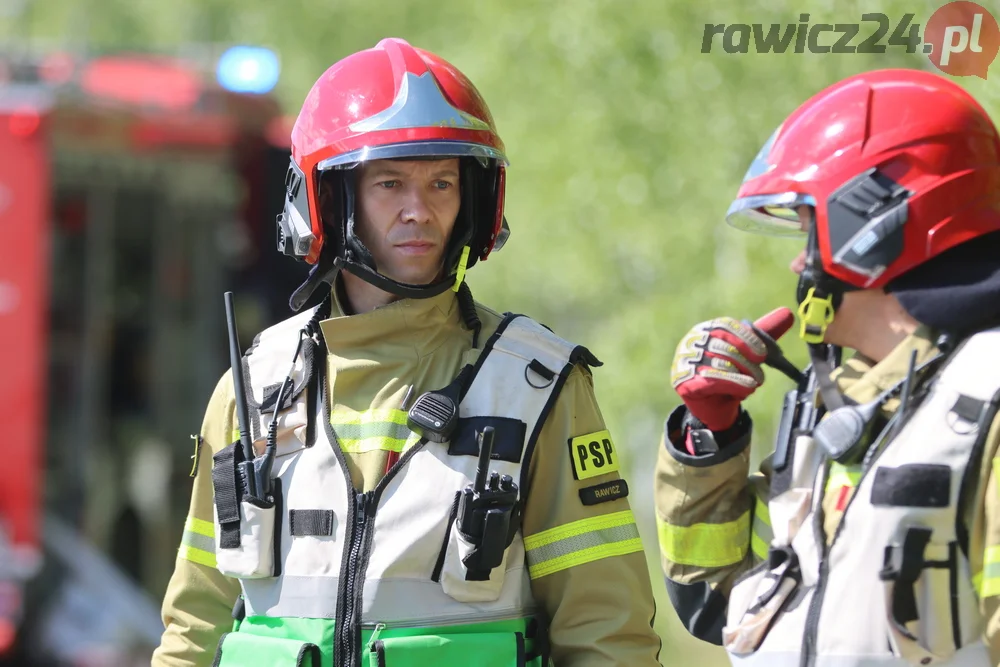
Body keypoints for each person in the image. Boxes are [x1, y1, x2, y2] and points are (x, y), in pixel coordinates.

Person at [153, 37, 661, 667]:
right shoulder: (255, 386)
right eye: (390, 183)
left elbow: (606, 631)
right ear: (331, 201)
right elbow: (194, 622)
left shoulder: (537, 387)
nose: (418, 211)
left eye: (441, 183)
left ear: (471, 200)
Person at [654, 68, 1000, 666]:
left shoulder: (986, 395)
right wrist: (707, 438)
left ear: (872, 228)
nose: (797, 263)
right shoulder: (836, 405)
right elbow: (716, 606)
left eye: (810, 233)